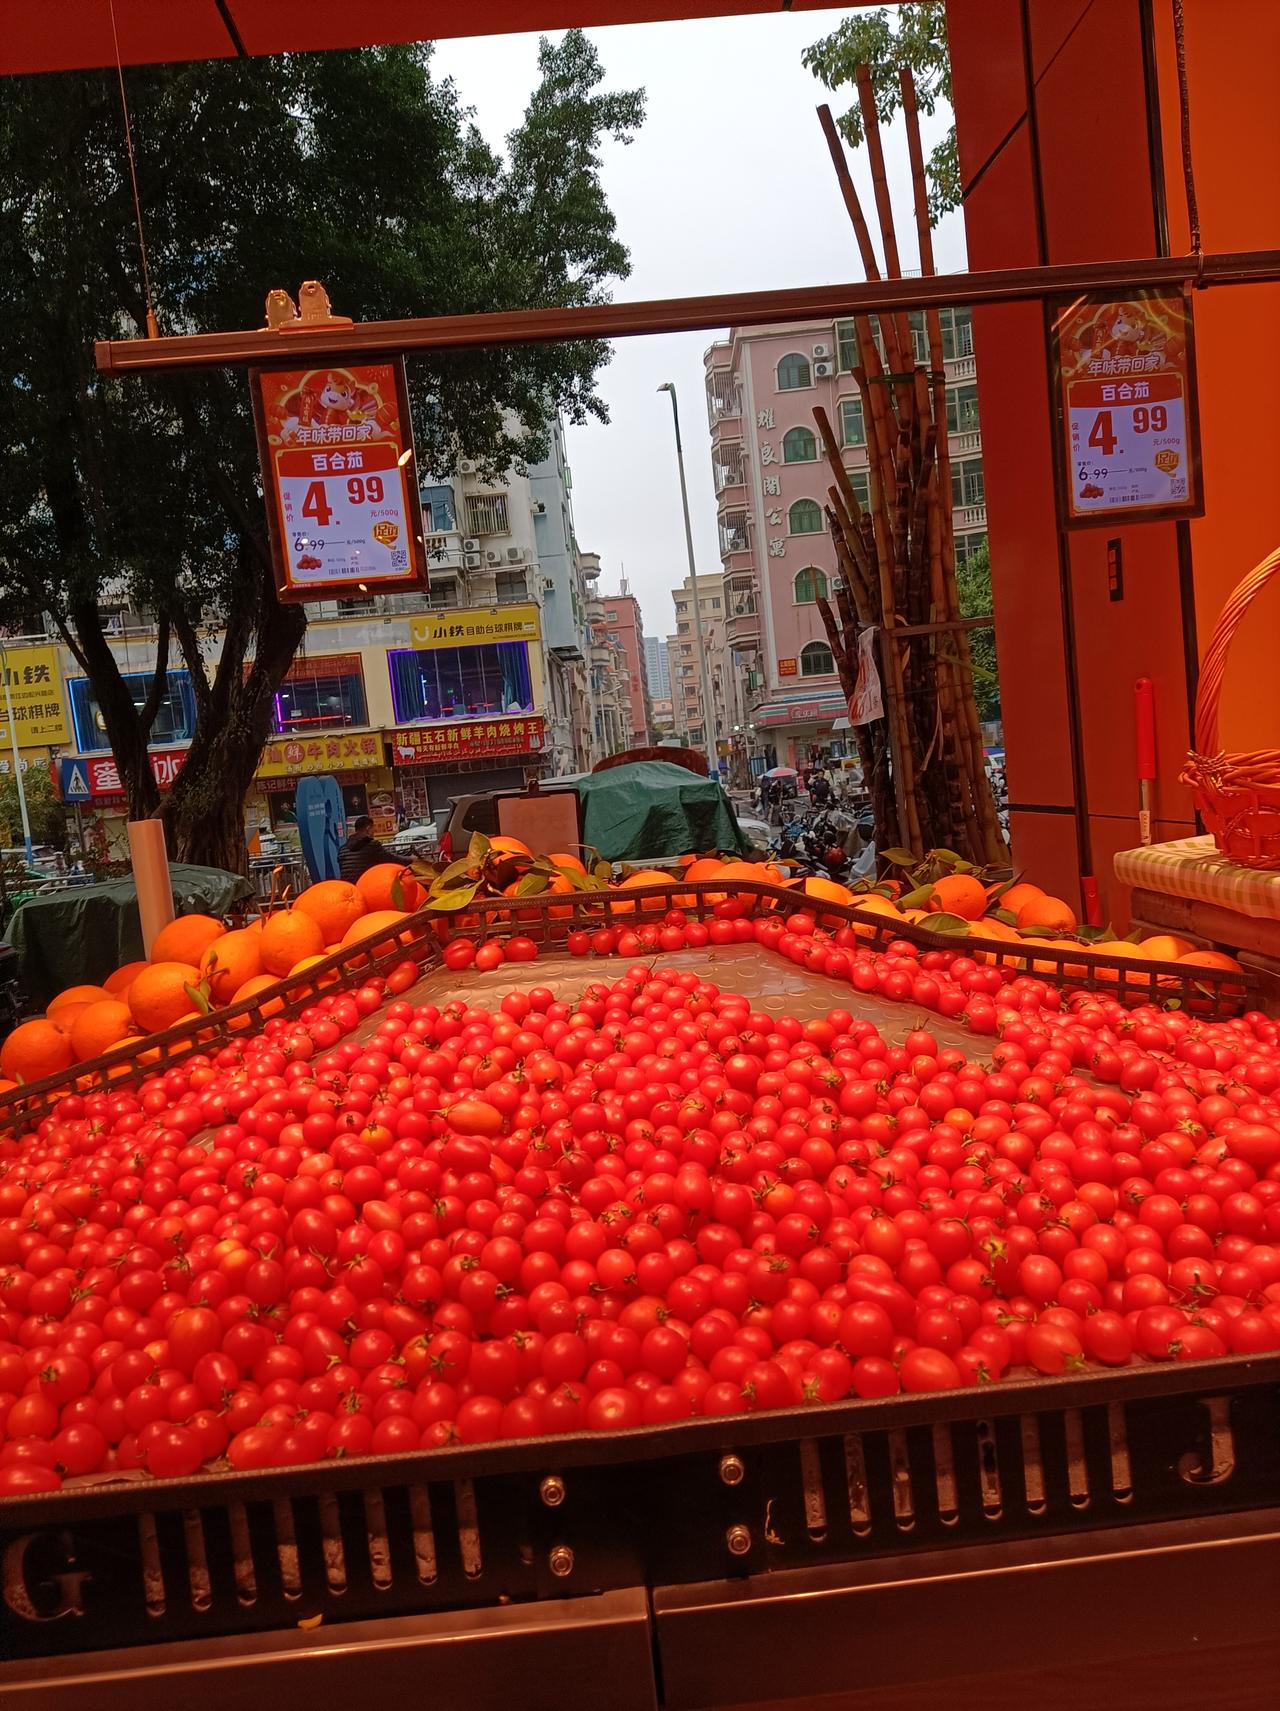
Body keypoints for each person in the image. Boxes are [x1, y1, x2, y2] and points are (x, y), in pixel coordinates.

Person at [338, 815, 390, 882]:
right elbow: (391, 859)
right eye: (373, 829)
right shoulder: (372, 845)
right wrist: (407, 860)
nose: (374, 833)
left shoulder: (342, 850)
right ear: (368, 829)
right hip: (366, 886)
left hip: (349, 887)